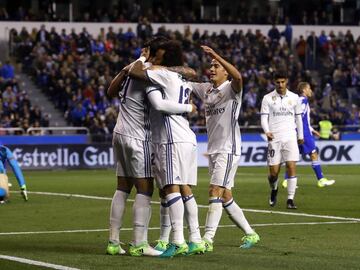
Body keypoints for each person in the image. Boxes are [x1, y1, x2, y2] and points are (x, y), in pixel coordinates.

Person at [106, 37, 196, 257]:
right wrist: (187, 107)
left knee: (122, 187)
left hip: (119, 133)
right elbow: (160, 100)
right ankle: (140, 243)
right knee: (145, 189)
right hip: (140, 135)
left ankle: (113, 242)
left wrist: (138, 60)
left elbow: (110, 91)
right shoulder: (147, 72)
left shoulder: (130, 69)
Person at [128, 40, 205, 257]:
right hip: (187, 138)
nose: (155, 59)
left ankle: (178, 240)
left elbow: (135, 72)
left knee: (170, 189)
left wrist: (143, 60)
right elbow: (190, 72)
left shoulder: (161, 75)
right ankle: (196, 239)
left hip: (170, 138)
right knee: (183, 189)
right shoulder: (182, 77)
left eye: (158, 56)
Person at [188, 45, 259, 251]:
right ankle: (251, 233)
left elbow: (239, 77)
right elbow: (187, 83)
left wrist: (217, 55)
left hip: (228, 148)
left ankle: (207, 240)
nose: (211, 68)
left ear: (225, 71)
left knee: (215, 190)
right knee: (226, 195)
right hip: (213, 150)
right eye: (210, 65)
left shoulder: (231, 88)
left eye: (216, 66)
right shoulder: (207, 90)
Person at [260, 69, 304, 209]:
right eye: (278, 82)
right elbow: (263, 117)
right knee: (273, 173)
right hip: (275, 138)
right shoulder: (267, 98)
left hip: (290, 136)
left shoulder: (294, 98)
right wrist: (267, 131)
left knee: (291, 166)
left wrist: (300, 135)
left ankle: (290, 199)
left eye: (283, 82)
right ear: (274, 82)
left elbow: (298, 118)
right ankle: (274, 189)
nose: (280, 84)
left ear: (287, 82)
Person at [282, 82, 335, 188]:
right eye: (309, 88)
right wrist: (303, 132)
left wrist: (312, 129)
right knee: (313, 154)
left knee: (294, 157)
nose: (311, 91)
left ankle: (287, 180)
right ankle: (321, 180)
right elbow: (299, 116)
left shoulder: (298, 101)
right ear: (304, 90)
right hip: (304, 133)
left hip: (301, 131)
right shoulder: (303, 100)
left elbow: (301, 118)